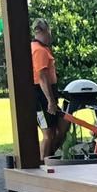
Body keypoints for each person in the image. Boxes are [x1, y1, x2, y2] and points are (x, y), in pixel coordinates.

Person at [31, 19, 68, 162]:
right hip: (41, 97)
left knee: (62, 125)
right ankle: (43, 163)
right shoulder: (39, 50)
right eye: (49, 32)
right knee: (48, 133)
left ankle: (50, 156)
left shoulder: (40, 48)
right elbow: (42, 77)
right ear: (44, 31)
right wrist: (50, 101)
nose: (50, 36)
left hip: (46, 94)